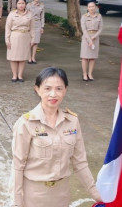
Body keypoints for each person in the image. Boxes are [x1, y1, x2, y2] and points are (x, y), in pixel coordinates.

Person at [12, 67, 101, 207]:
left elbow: (80, 163)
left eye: (59, 88)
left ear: (65, 90)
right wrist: (16, 202)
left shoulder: (72, 122)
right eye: (47, 88)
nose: (53, 94)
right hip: (34, 195)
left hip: (61, 194)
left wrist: (96, 193)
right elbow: (18, 165)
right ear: (37, 89)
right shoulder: (26, 123)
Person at [5, 0, 34, 82]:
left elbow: (32, 28)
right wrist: (7, 40)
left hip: (25, 37)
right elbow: (8, 28)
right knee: (13, 57)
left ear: (25, 4)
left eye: (22, 3)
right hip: (14, 37)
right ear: (16, 4)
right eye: (19, 3)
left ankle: (20, 75)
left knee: (22, 57)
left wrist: (32, 39)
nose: (21, 5)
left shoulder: (30, 14)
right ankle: (14, 75)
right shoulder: (12, 14)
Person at [80, 2, 103, 82]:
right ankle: (84, 74)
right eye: (90, 7)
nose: (92, 8)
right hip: (86, 38)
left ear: (95, 7)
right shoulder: (84, 17)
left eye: (93, 6)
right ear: (87, 8)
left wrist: (94, 37)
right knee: (85, 57)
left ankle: (90, 74)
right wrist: (89, 39)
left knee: (93, 57)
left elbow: (100, 29)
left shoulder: (99, 16)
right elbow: (84, 29)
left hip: (95, 38)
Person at [26, 0, 45, 64]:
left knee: (36, 42)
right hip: (30, 24)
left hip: (38, 24)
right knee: (30, 42)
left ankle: (33, 57)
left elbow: (42, 16)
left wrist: (42, 27)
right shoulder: (29, 5)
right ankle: (29, 57)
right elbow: (26, 15)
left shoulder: (42, 5)